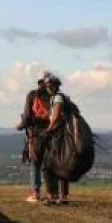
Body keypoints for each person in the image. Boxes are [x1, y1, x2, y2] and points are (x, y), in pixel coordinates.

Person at [17, 72, 51, 202]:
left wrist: (20, 125)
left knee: (35, 162)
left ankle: (36, 194)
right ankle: (52, 194)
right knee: (50, 163)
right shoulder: (55, 96)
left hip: (36, 133)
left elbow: (27, 116)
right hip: (53, 132)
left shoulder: (32, 95)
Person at [40, 74, 71, 205]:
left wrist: (49, 128)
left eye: (49, 85)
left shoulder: (57, 98)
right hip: (63, 133)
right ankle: (63, 195)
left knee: (48, 165)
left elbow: (56, 115)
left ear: (54, 85)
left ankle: (52, 195)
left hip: (59, 133)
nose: (47, 87)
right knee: (62, 164)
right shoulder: (60, 97)